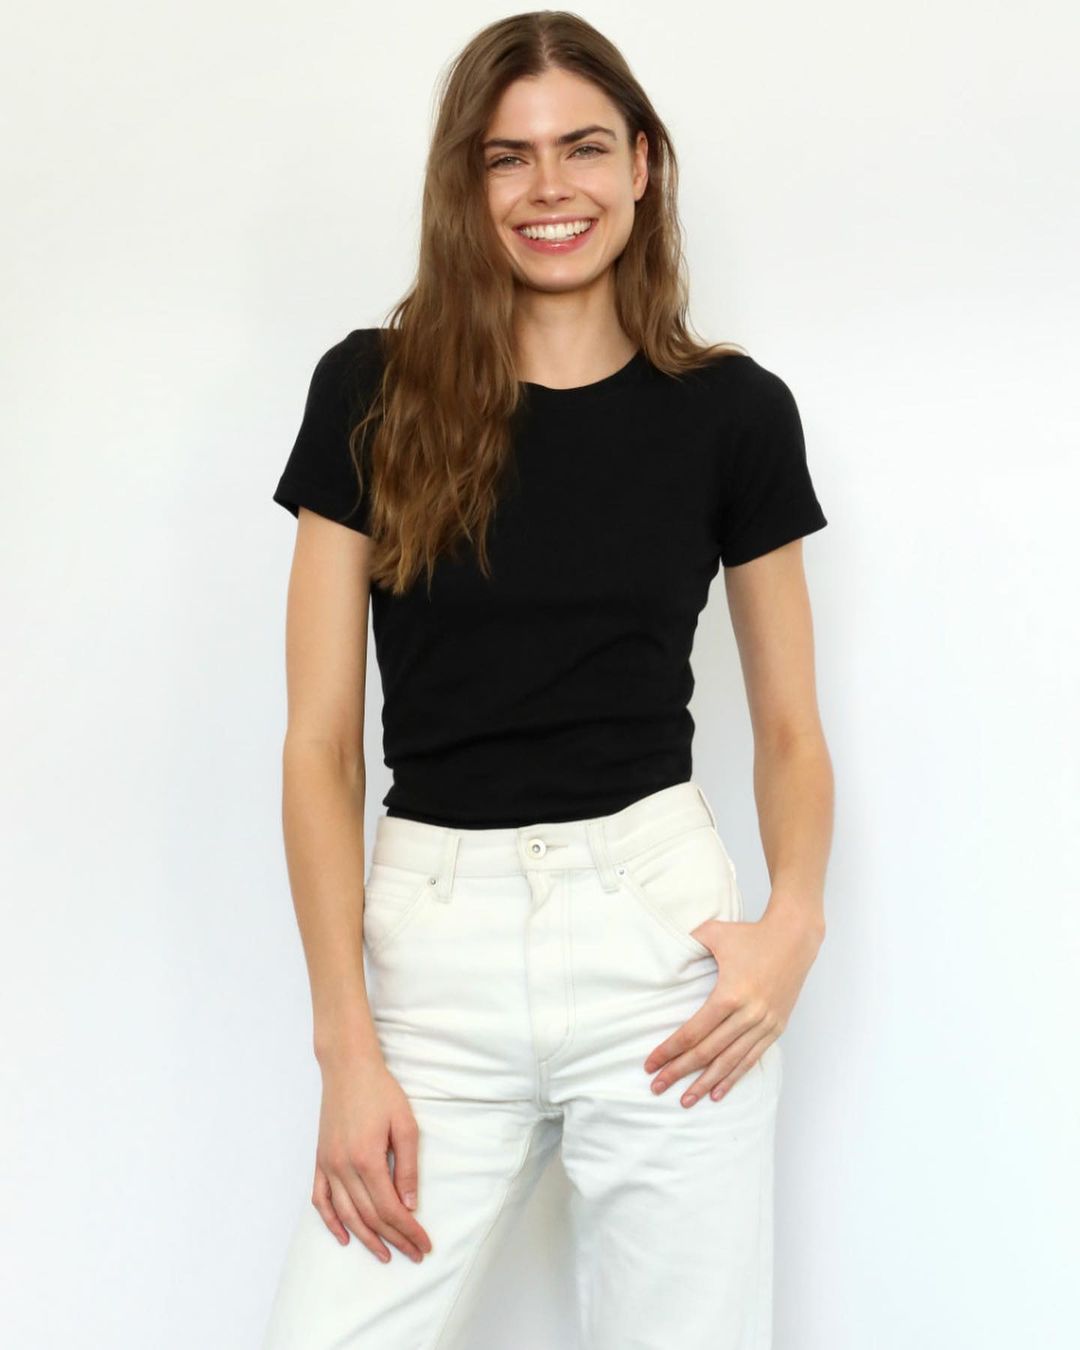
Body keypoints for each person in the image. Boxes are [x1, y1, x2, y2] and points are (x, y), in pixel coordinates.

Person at [262, 12, 833, 1349]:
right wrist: (346, 1043)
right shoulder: (371, 391)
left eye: (582, 147)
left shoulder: (734, 414)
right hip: (434, 962)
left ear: (642, 164)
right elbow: (320, 745)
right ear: (466, 186)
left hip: (661, 954)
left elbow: (792, 730)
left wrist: (793, 920)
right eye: (507, 157)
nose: (549, 187)